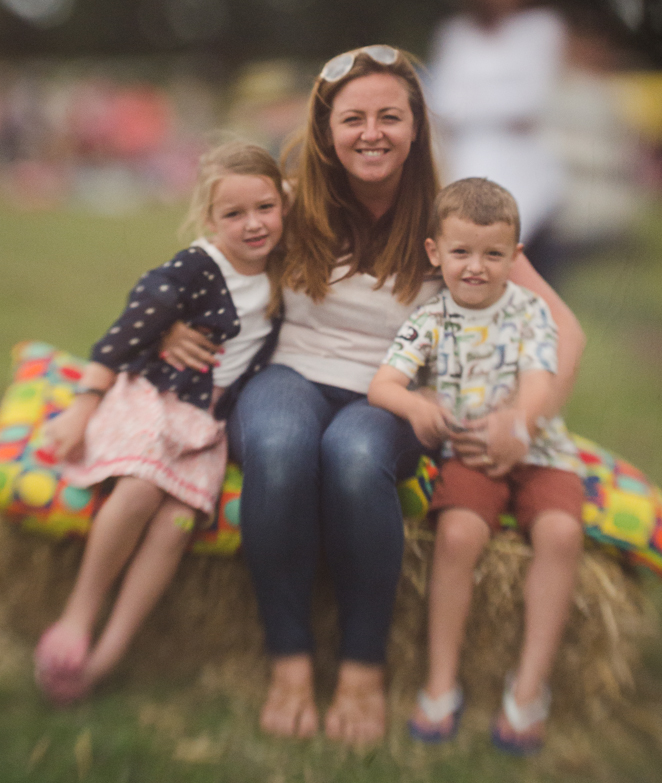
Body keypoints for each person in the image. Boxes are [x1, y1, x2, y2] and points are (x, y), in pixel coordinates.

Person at [162, 46, 585, 746]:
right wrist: (171, 321)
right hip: (287, 378)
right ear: (327, 131)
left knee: (354, 455)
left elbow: (562, 326)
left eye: (391, 115)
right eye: (353, 118)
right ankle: (290, 659)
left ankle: (363, 666)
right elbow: (203, 260)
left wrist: (524, 418)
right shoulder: (291, 204)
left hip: (393, 400)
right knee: (279, 444)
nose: (372, 132)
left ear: (416, 127)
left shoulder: (448, 221)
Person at [34, 142, 285, 704]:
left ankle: (110, 651)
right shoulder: (195, 267)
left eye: (265, 208)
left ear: (284, 205)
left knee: (177, 522)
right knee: (144, 487)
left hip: (207, 420)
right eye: (233, 214)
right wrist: (82, 407)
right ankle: (78, 615)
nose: (252, 225)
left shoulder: (287, 266)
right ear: (207, 218)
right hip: (155, 395)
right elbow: (123, 334)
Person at [369, 178, 585, 754]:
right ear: (435, 252)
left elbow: (541, 380)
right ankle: (441, 681)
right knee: (458, 535)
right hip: (467, 451)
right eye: (461, 252)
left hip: (537, 449)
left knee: (562, 533)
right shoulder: (429, 319)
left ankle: (529, 688)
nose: (475, 267)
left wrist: (522, 424)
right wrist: (417, 404)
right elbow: (383, 385)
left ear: (515, 258)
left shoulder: (530, 312)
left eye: (493, 255)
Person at [427, 0, 567, 274]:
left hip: (528, 178)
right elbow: (442, 104)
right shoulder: (454, 34)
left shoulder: (542, 28)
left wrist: (470, 100)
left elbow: (531, 101)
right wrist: (498, 97)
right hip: (464, 170)